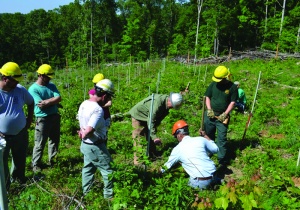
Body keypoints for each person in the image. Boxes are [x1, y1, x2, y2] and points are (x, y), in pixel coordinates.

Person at [77, 79, 115, 199]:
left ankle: (86, 193)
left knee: (88, 168)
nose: (109, 99)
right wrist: (84, 133)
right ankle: (109, 197)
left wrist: (82, 134)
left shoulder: (84, 103)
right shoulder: (98, 110)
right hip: (95, 145)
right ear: (104, 95)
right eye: (109, 97)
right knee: (109, 170)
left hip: (86, 145)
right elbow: (89, 129)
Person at [0, 62, 34, 189]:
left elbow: (31, 103)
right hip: (2, 137)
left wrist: (29, 120)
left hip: (20, 133)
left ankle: (19, 180)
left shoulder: (20, 90)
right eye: (14, 80)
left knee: (20, 159)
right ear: (5, 78)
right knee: (2, 164)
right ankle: (5, 187)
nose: (17, 83)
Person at [161, 120, 218, 189]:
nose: (177, 139)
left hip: (201, 181)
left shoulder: (177, 149)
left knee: (184, 187)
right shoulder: (201, 139)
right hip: (214, 175)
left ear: (179, 135)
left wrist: (157, 172)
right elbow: (215, 149)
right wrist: (205, 135)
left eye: (176, 137)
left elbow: (166, 167)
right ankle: (217, 182)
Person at [129, 93, 183, 165]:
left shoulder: (166, 105)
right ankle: (138, 162)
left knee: (151, 133)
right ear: (170, 101)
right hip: (138, 115)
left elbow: (154, 121)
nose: (172, 108)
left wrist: (153, 134)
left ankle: (153, 154)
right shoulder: (158, 104)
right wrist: (154, 137)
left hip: (148, 117)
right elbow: (151, 120)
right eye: (173, 106)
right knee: (138, 137)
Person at [29, 64, 61, 172]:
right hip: (42, 119)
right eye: (47, 76)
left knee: (54, 140)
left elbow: (58, 98)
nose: (49, 79)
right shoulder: (33, 89)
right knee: (39, 142)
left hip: (54, 117)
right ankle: (36, 164)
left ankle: (53, 160)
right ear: (41, 75)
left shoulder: (51, 86)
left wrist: (47, 102)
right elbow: (40, 105)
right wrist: (53, 100)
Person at [203, 66, 238, 166]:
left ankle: (221, 159)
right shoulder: (213, 84)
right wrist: (209, 109)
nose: (218, 81)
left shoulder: (232, 87)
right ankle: (208, 153)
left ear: (225, 77)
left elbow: (232, 102)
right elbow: (207, 97)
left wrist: (225, 114)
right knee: (208, 134)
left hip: (222, 116)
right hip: (211, 115)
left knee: (221, 138)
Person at [88, 73, 112, 145]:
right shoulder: (92, 92)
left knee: (104, 132)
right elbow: (92, 102)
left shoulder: (107, 92)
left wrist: (100, 106)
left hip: (105, 115)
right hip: (97, 115)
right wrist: (103, 105)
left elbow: (109, 103)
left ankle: (104, 145)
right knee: (96, 131)